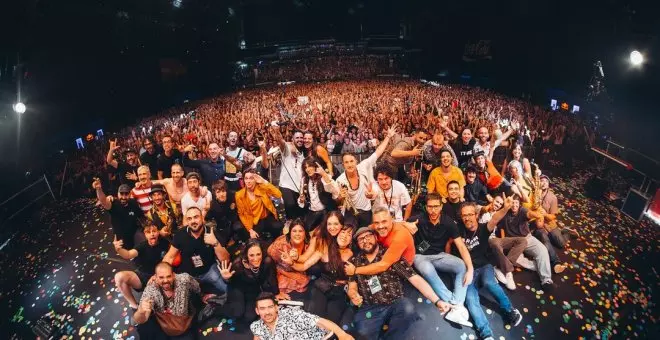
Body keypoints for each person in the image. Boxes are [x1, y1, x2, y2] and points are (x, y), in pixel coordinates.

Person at [347, 227, 451, 340]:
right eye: (361, 239)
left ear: (376, 237)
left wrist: (437, 301)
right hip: (370, 306)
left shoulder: (391, 255)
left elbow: (415, 278)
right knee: (363, 332)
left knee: (408, 309)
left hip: (395, 303)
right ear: (357, 244)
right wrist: (353, 294)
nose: (365, 241)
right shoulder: (354, 262)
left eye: (368, 236)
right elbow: (352, 286)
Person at [457, 202, 523, 339]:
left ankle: (510, 310)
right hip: (468, 272)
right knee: (470, 299)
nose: (467, 218)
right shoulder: (458, 230)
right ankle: (486, 334)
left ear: (476, 215)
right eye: (464, 215)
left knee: (489, 282)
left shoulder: (482, 228)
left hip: (484, 266)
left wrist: (505, 208)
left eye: (470, 214)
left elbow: (495, 218)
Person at [409, 193, 473, 327]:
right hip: (420, 256)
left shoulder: (448, 222)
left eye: (436, 207)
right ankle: (456, 306)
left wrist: (470, 269)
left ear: (441, 206)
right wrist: (406, 225)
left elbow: (460, 245)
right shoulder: (419, 219)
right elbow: (396, 224)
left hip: (439, 255)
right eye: (430, 207)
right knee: (428, 270)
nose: (433, 210)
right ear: (426, 207)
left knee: (462, 265)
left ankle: (456, 305)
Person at [292, 218, 355, 325]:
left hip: (338, 292)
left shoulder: (353, 254)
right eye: (343, 232)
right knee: (315, 320)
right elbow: (303, 266)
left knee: (331, 326)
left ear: (351, 240)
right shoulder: (325, 248)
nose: (345, 235)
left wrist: (353, 292)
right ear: (337, 233)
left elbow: (353, 279)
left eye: (349, 234)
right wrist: (291, 262)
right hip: (321, 288)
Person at [487, 195, 557, 291]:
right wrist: (504, 242)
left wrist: (537, 215)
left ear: (519, 204)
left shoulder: (523, 210)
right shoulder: (504, 213)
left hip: (527, 238)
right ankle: (541, 267)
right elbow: (502, 228)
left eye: (517, 203)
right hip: (514, 243)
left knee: (542, 250)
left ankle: (546, 280)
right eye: (513, 203)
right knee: (517, 260)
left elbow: (529, 214)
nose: (514, 205)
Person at [336, 124, 398, 227]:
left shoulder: (363, 166)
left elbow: (378, 152)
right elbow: (338, 202)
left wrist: (388, 136)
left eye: (351, 161)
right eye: (346, 162)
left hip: (366, 210)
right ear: (343, 165)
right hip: (350, 213)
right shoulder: (340, 180)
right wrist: (340, 197)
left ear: (356, 161)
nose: (350, 164)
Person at [163, 207, 230, 297]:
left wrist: (215, 243)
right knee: (180, 298)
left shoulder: (211, 232)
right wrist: (160, 273)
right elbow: (169, 257)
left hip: (209, 270)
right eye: (189, 219)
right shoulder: (180, 234)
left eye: (196, 217)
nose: (193, 221)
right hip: (188, 274)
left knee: (228, 290)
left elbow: (225, 259)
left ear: (202, 218)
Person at [133, 262, 200, 339]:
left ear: (174, 275)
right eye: (161, 277)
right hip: (165, 326)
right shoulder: (151, 290)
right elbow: (141, 320)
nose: (165, 281)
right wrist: (140, 311)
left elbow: (196, 287)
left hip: (186, 322)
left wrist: (202, 295)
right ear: (155, 277)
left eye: (168, 276)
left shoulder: (184, 279)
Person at [218, 240, 279, 322]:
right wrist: (226, 278)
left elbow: (272, 277)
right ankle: (216, 308)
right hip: (238, 288)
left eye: (258, 254)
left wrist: (276, 293)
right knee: (237, 313)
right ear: (246, 255)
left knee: (249, 317)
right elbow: (231, 282)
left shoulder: (267, 261)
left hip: (253, 289)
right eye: (251, 255)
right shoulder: (238, 264)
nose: (256, 258)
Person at [343, 208, 416, 276]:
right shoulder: (374, 227)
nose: (380, 226)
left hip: (401, 269)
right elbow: (365, 231)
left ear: (392, 220)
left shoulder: (400, 236)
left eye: (384, 221)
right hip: (382, 259)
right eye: (376, 222)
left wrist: (355, 270)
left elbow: (383, 265)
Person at [250, 292, 354, 340]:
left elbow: (319, 321)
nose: (267, 312)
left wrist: (342, 335)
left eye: (270, 307)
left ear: (276, 307)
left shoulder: (292, 315)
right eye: (262, 309)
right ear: (257, 311)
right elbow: (257, 336)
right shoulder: (256, 326)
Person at [113, 223, 170, 309]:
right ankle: (134, 306)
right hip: (143, 276)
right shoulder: (142, 246)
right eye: (148, 232)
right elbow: (128, 254)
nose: (152, 234)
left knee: (156, 304)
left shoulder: (165, 243)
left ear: (158, 232)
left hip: (160, 276)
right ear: (145, 235)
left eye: (154, 231)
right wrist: (119, 250)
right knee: (119, 277)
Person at [235, 169, 284, 241]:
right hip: (253, 221)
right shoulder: (239, 195)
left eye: (251, 178)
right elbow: (241, 214)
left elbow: (278, 194)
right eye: (246, 178)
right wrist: (250, 230)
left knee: (278, 227)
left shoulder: (262, 188)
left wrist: (264, 182)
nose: (248, 181)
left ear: (255, 179)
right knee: (255, 241)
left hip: (266, 217)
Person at [93, 178, 143, 249]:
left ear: (130, 194)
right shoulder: (113, 204)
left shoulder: (133, 202)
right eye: (121, 194)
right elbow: (103, 201)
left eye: (126, 194)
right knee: (126, 254)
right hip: (122, 238)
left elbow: (140, 215)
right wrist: (99, 189)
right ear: (117, 193)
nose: (123, 197)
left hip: (135, 234)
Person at [270, 126, 305, 220]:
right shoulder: (287, 150)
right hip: (286, 186)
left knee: (300, 213)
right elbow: (281, 141)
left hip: (299, 188)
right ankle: (289, 226)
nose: (300, 140)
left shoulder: (304, 155)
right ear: (293, 139)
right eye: (297, 138)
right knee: (290, 205)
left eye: (301, 138)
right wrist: (277, 131)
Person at [298, 158, 340, 232]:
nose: (307, 169)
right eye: (305, 167)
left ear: (315, 166)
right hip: (312, 212)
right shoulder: (304, 180)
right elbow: (302, 199)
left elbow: (334, 191)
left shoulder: (324, 177)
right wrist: (302, 200)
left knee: (326, 231)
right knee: (305, 231)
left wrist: (324, 174)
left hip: (326, 211)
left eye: (310, 166)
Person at [206, 179, 240, 245]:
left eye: (223, 191)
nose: (221, 194)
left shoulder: (233, 196)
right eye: (218, 192)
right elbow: (207, 219)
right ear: (215, 194)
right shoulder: (213, 205)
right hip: (222, 228)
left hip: (234, 223)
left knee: (239, 228)